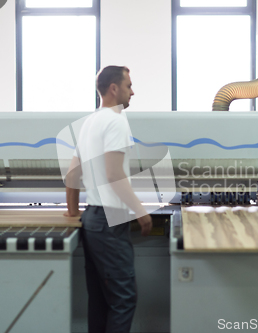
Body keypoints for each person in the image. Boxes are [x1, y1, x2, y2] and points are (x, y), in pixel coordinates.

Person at [63, 65, 152, 333]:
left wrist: (73, 212)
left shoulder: (90, 122)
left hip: (93, 218)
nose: (132, 91)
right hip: (109, 220)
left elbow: (72, 174)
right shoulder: (116, 121)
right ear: (114, 89)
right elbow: (114, 174)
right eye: (128, 85)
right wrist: (141, 211)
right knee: (124, 300)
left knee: (101, 300)